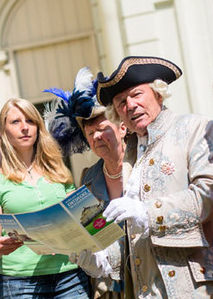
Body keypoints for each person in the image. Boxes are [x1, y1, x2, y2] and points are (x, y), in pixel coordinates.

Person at [87, 56, 213, 298]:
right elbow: (133, 233)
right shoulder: (128, 154)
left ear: (158, 94)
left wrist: (148, 212)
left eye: (137, 94)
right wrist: (104, 258)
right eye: (121, 102)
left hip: (200, 288)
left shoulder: (196, 128)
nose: (130, 105)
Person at [0, 98, 91, 299]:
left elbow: (81, 221)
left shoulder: (59, 172)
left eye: (30, 121)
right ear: (2, 131)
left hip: (70, 276)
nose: (24, 128)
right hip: (20, 282)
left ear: (38, 128)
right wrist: (0, 246)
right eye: (15, 122)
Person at [44, 67, 126, 298]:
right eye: (90, 134)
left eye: (102, 129)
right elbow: (96, 234)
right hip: (110, 289)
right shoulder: (88, 179)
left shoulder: (142, 167)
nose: (96, 137)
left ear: (122, 127)